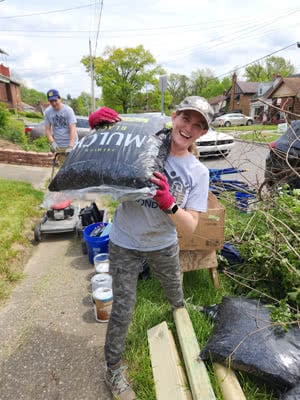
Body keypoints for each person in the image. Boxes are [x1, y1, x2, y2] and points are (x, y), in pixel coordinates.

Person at [98, 97, 213, 400]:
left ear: (201, 134)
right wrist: (99, 131)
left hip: (163, 244)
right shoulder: (142, 143)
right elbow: (103, 157)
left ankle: (182, 314)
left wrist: (170, 205)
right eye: (186, 119)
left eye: (198, 125)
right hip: (125, 242)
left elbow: (190, 227)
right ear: (174, 117)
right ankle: (112, 369)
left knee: (174, 289)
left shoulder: (198, 172)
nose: (189, 128)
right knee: (122, 308)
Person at [44, 89, 78, 154]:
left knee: (72, 164)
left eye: (55, 100)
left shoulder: (68, 110)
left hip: (71, 144)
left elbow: (73, 128)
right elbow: (47, 129)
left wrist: (70, 146)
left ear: (60, 98)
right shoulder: (48, 112)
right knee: (61, 164)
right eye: (51, 101)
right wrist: (52, 142)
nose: (53, 103)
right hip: (58, 145)